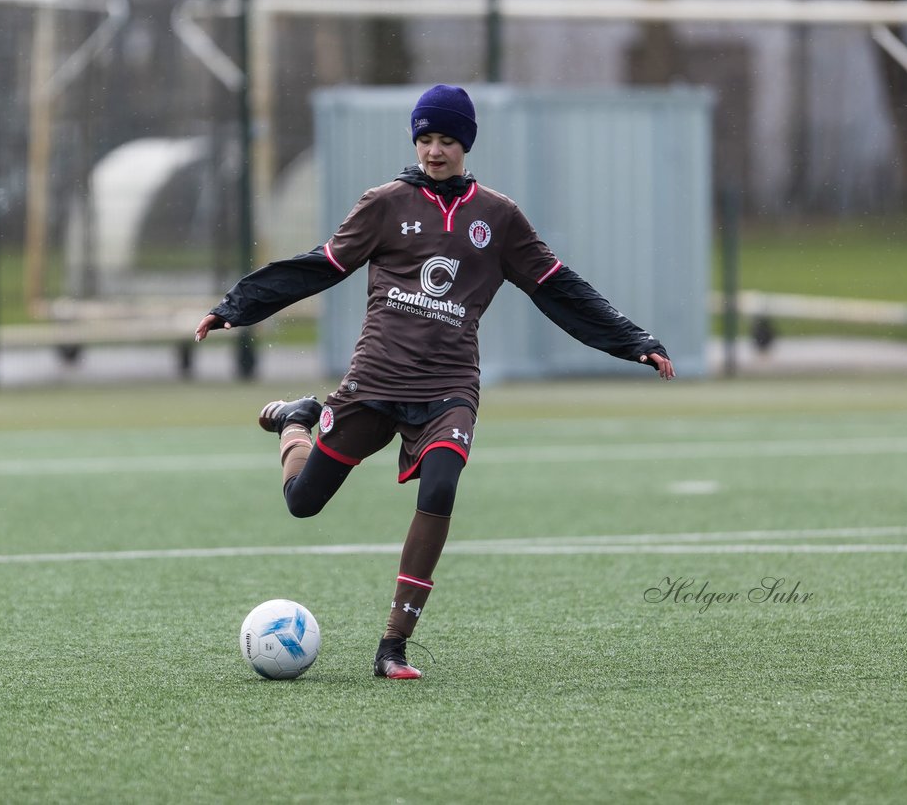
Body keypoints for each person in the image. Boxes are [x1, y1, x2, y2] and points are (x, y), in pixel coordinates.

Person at [196, 84, 675, 680]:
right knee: (303, 504)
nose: (434, 150)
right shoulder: (384, 204)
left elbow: (558, 287)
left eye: (446, 139)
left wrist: (634, 341)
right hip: (376, 377)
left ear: (466, 143)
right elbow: (318, 266)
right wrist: (237, 306)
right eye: (425, 138)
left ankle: (393, 645)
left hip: (449, 386)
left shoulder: (498, 217)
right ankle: (297, 420)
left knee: (442, 483)